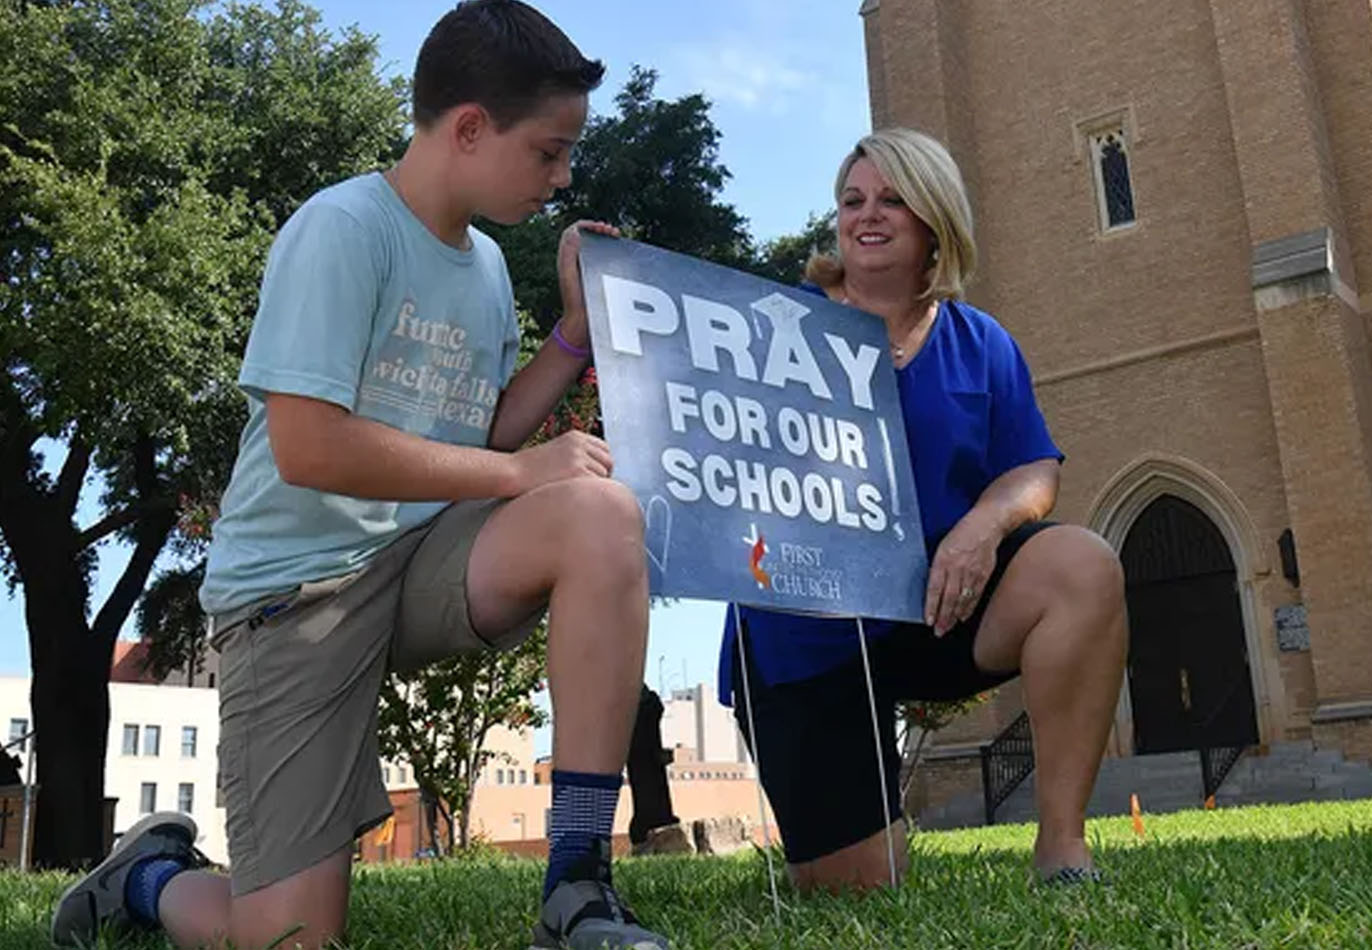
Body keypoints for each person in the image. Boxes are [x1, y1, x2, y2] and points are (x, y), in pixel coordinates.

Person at [52, 4, 666, 949]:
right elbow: (310, 448)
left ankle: (575, 883)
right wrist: (514, 473)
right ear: (468, 127)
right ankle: (145, 880)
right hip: (293, 599)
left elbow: (479, 430)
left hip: (419, 556)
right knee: (287, 939)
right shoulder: (341, 227)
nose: (563, 176)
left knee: (599, 513)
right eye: (550, 151)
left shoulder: (491, 266)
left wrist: (574, 332)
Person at [721, 128, 1128, 893]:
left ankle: (1063, 849)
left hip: (941, 605)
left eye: (892, 199)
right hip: (809, 638)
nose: (867, 216)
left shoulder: (981, 342)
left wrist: (982, 527)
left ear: (932, 218)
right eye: (853, 200)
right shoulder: (773, 325)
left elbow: (1033, 467)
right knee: (862, 888)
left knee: (1082, 565)